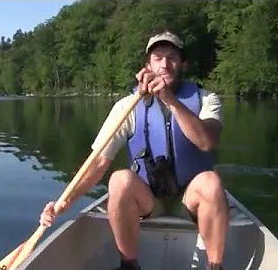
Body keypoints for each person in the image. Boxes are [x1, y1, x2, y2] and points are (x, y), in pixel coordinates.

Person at [39, 29, 229, 270]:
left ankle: (215, 266)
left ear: (183, 64)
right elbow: (97, 163)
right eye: (158, 58)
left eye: (172, 57)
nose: (165, 64)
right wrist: (62, 204)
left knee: (212, 182)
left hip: (191, 199)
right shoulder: (127, 107)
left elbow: (206, 142)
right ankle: (129, 265)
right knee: (119, 180)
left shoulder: (206, 99)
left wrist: (169, 99)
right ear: (147, 66)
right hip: (149, 201)